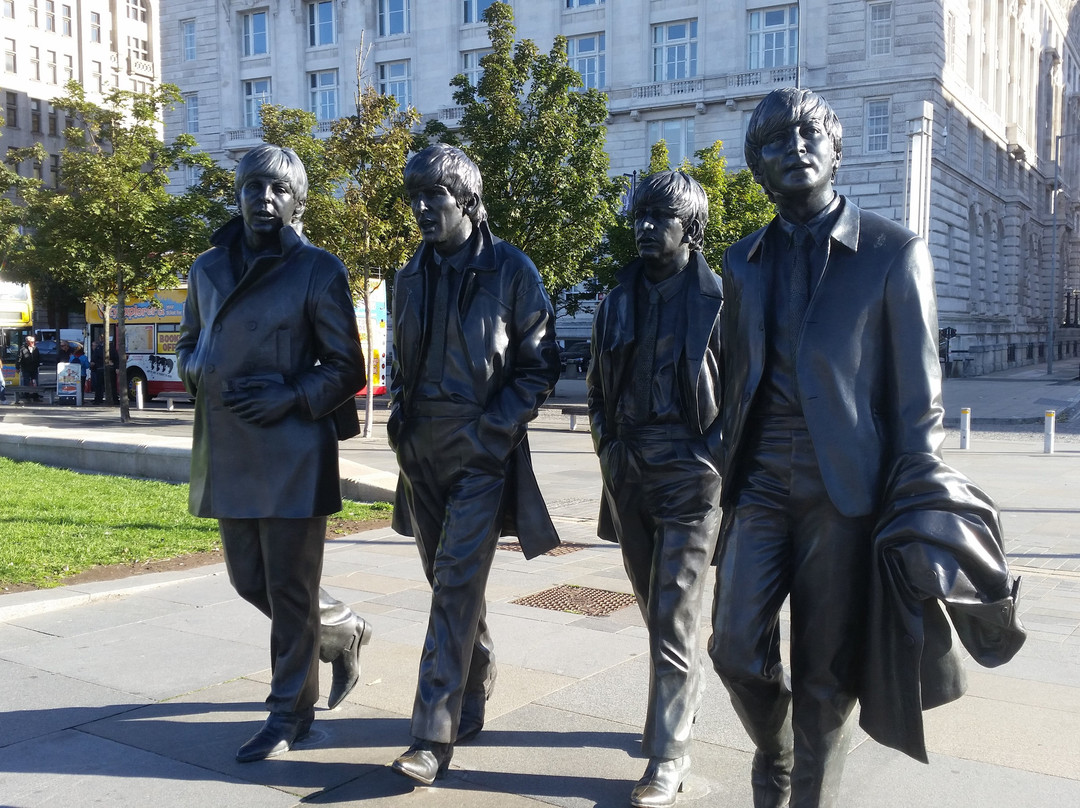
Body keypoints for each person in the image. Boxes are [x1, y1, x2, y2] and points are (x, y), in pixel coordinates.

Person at [708, 88, 1024, 808]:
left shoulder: (892, 253)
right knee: (734, 649)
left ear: (835, 148)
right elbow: (736, 376)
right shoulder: (743, 260)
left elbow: (920, 401)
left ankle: (808, 795)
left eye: (809, 134)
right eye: (776, 141)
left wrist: (915, 502)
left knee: (827, 671)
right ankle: (777, 751)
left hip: (845, 492)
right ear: (757, 164)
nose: (795, 148)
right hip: (758, 483)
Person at [176, 143, 372, 763]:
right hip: (229, 444)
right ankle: (340, 630)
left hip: (291, 448)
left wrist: (290, 393)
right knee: (248, 579)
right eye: (254, 188)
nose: (265, 199)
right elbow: (186, 341)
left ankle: (290, 713)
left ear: (298, 201)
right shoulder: (207, 269)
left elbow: (348, 368)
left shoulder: (318, 269)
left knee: (289, 590)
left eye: (279, 190)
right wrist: (195, 366)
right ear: (237, 196)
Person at [387, 144, 561, 785]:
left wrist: (494, 429)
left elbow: (539, 365)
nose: (422, 209)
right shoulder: (409, 275)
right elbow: (401, 362)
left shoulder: (511, 271)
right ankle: (477, 674)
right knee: (447, 582)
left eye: (434, 196)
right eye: (415, 198)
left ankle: (432, 735)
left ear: (467, 199)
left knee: (456, 585)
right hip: (421, 453)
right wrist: (399, 419)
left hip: (480, 452)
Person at [586, 170, 722, 808]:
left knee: (672, 614)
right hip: (630, 472)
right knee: (653, 607)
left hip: (691, 476)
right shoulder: (615, 302)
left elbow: (744, 396)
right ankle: (679, 705)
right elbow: (596, 391)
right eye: (638, 215)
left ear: (689, 226)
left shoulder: (721, 301)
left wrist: (712, 462)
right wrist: (609, 452)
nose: (644, 227)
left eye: (659, 216)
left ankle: (669, 755)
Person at [90, 336, 106, 404]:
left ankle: (98, 399)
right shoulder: (97, 351)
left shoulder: (98, 350)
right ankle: (97, 398)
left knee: (98, 385)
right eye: (92, 345)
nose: (92, 347)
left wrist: (93, 363)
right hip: (95, 369)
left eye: (93, 345)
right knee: (96, 385)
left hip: (98, 370)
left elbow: (96, 360)